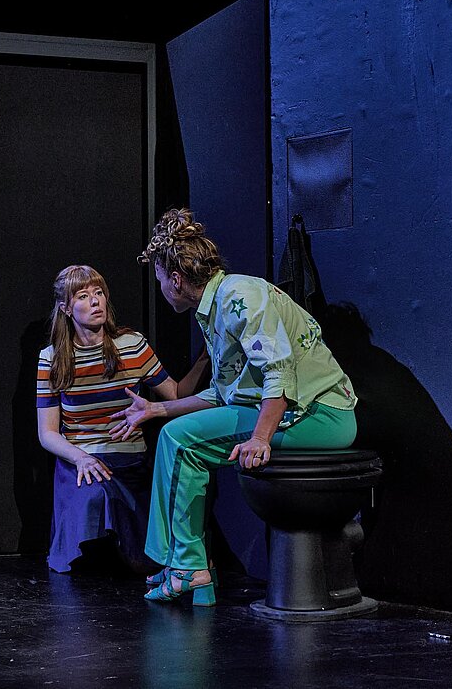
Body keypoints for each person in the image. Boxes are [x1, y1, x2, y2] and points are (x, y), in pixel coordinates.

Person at [112, 208, 358, 605]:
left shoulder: (240, 296)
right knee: (176, 435)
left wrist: (260, 438)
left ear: (176, 280)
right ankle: (187, 565)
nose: (161, 289)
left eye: (159, 280)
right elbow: (227, 394)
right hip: (293, 410)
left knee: (181, 440)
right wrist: (157, 410)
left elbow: (278, 373)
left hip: (320, 414)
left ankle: (186, 566)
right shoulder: (217, 307)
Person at [36, 265, 179, 575]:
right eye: (83, 296)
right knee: (93, 496)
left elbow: (176, 394)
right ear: (66, 308)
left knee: (140, 559)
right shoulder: (52, 358)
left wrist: (206, 360)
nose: (95, 301)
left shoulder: (132, 345)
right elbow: (47, 433)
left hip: (129, 462)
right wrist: (81, 458)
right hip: (81, 462)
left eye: (98, 293)